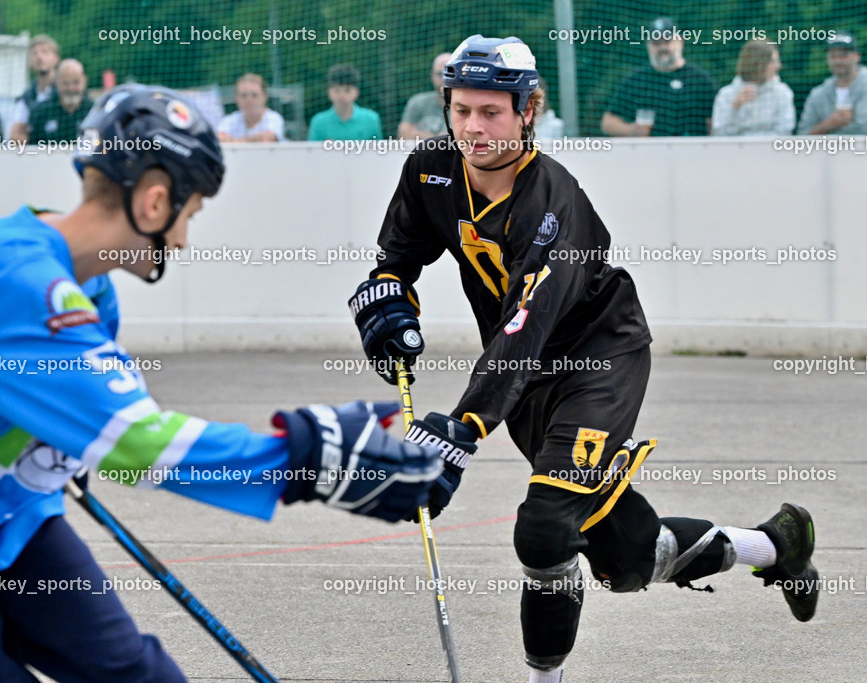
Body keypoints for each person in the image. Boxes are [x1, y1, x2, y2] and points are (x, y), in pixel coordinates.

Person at [0, 84, 442, 682]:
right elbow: (141, 444)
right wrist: (305, 459)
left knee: (140, 673)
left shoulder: (70, 273)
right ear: (155, 202)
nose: (183, 238)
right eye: (191, 213)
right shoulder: (31, 294)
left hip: (8, 511)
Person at [349, 35, 819, 683]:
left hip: (597, 360)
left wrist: (461, 429)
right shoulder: (430, 167)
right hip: (521, 375)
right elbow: (398, 257)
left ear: (528, 109)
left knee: (543, 530)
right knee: (625, 556)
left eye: (492, 111)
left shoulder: (552, 203)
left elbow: (525, 326)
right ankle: (775, 543)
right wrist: (388, 300)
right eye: (461, 110)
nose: (474, 127)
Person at [601, 17, 716, 137]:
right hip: (648, 153)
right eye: (656, 43)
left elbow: (716, 123)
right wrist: (630, 130)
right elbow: (608, 122)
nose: (662, 48)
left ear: (680, 42)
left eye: (667, 41)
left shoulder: (700, 80)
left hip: (691, 152)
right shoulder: (636, 80)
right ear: (648, 45)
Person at [712, 39, 795, 136]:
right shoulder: (726, 94)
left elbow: (784, 131)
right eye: (773, 61)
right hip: (735, 150)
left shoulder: (782, 92)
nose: (778, 66)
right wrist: (735, 107)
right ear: (757, 63)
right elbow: (719, 134)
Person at [797, 31, 867, 135]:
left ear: (857, 56)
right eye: (833, 56)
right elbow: (801, 136)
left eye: (843, 55)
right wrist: (829, 124)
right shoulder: (818, 94)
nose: (838, 61)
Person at [307, 64, 382, 141]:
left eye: (347, 90)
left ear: (356, 92)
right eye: (337, 90)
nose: (341, 95)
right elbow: (312, 152)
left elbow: (377, 150)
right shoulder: (319, 122)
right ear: (329, 92)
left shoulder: (371, 119)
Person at [27, 59, 93, 144]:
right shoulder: (42, 112)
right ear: (57, 83)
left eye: (76, 83)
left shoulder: (93, 111)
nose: (71, 89)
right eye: (65, 83)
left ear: (84, 82)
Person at [10, 34, 61, 143]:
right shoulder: (26, 98)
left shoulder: (64, 92)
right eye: (34, 53)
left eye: (45, 52)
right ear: (29, 62)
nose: (39, 57)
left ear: (56, 59)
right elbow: (15, 137)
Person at [217, 73, 286, 142]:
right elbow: (218, 140)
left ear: (265, 97)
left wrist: (232, 141)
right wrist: (254, 139)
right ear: (236, 98)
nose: (249, 100)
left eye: (254, 95)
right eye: (244, 95)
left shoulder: (273, 118)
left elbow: (267, 139)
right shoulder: (229, 120)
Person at [398, 52, 452, 140]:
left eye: (449, 74)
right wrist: (443, 138)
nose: (444, 79)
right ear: (432, 76)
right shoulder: (418, 102)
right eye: (439, 74)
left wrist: (420, 135)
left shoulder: (467, 103)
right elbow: (403, 134)